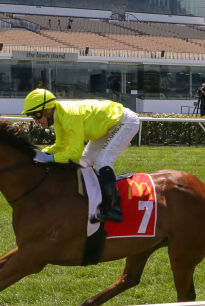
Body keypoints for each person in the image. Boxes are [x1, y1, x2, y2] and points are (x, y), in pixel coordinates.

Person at [22, 88, 140, 223]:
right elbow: (61, 145)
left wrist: (49, 158)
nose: (36, 121)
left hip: (125, 122)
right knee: (84, 162)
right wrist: (42, 153)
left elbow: (74, 153)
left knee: (102, 162)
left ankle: (114, 209)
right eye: (32, 116)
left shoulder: (68, 114)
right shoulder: (57, 116)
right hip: (107, 126)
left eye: (36, 115)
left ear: (48, 109)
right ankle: (91, 201)